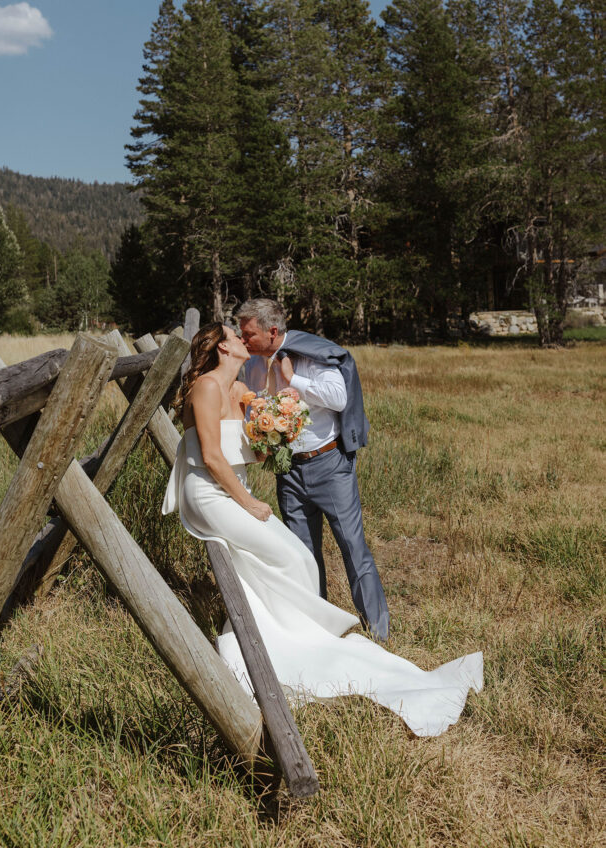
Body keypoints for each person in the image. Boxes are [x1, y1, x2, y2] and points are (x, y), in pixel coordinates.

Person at [162, 322, 483, 738]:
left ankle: (297, 635)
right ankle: (279, 647)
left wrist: (275, 426)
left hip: (235, 492)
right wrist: (249, 502)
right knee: (286, 556)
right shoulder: (206, 387)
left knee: (300, 557)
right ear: (224, 346)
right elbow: (210, 456)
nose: (245, 340)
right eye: (237, 336)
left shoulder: (239, 388)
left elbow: (255, 455)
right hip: (208, 496)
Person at [237, 298, 390, 640]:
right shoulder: (252, 366)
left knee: (352, 546)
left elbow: (338, 398)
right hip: (287, 471)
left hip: (329, 465)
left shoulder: (310, 354)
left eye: (248, 334)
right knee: (303, 554)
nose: (243, 340)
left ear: (272, 331)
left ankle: (378, 632)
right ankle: (319, 631)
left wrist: (295, 381)